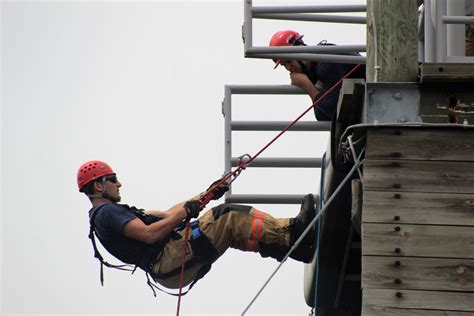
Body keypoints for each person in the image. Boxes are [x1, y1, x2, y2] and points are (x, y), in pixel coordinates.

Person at [77, 160, 317, 290]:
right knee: (228, 216)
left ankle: (289, 248)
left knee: (229, 231)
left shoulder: (112, 214)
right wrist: (188, 210)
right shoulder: (106, 213)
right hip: (168, 259)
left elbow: (165, 214)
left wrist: (206, 194)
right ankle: (292, 232)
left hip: (168, 267)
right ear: (99, 186)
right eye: (113, 180)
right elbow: (150, 234)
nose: (119, 184)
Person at [269, 30, 366, 121]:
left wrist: (307, 85)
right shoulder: (315, 68)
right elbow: (321, 115)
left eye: (289, 61)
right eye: (284, 64)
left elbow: (333, 112)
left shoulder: (327, 61)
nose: (289, 68)